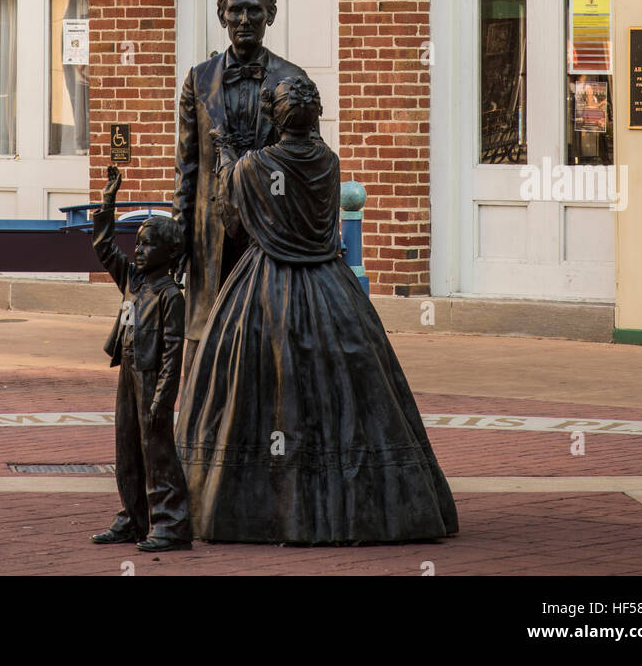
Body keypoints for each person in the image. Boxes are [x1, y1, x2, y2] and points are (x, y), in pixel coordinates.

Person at [175, 77, 459, 545]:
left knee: (256, 389)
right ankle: (345, 507)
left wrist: (227, 152)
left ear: (274, 118)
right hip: (331, 287)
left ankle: (254, 505)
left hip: (265, 284)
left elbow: (233, 220)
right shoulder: (329, 160)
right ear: (316, 118)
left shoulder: (255, 165)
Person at [172, 0, 313, 384]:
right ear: (222, 16)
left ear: (270, 15)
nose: (244, 20)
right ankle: (195, 431)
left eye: (254, 10)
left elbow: (305, 166)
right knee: (202, 338)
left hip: (268, 232)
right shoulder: (198, 80)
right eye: (235, 11)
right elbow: (187, 168)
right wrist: (182, 237)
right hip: (210, 233)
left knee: (266, 336)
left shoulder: (293, 80)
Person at [90, 166, 192, 552]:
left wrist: (162, 399)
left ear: (168, 253)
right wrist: (108, 202)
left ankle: (171, 524)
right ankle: (133, 518)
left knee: (157, 452)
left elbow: (172, 351)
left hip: (151, 378)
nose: (138, 249)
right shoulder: (133, 280)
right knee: (127, 447)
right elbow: (103, 247)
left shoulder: (170, 296)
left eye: (147, 245)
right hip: (128, 372)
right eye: (138, 242)